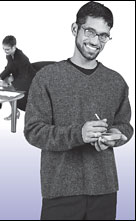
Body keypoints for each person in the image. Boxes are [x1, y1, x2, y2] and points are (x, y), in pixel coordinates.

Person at [24, 1, 133, 220]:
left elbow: (125, 126)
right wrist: (78, 134)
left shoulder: (116, 81)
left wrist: (116, 136)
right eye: (90, 31)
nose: (95, 41)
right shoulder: (47, 77)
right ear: (75, 29)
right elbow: (33, 131)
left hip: (105, 189)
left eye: (103, 35)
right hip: (60, 190)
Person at [0, 35, 36, 120]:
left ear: (14, 47)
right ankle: (15, 111)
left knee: (7, 87)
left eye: (7, 49)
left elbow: (24, 78)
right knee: (4, 81)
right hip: (19, 76)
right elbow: (8, 68)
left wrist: (8, 84)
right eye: (3, 49)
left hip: (29, 81)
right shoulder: (10, 54)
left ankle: (15, 112)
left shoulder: (21, 58)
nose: (5, 51)